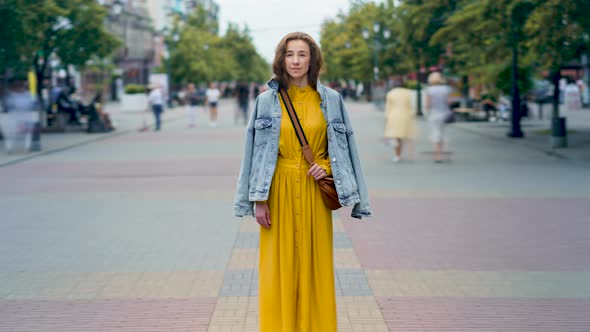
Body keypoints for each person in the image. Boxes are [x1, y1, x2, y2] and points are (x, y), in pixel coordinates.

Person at [234, 32, 372, 332]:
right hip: (277, 191)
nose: (295, 61)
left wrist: (326, 168)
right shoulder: (265, 101)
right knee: (276, 270)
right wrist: (257, 199)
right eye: (290, 54)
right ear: (281, 59)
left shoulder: (332, 100)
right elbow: (252, 152)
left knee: (316, 267)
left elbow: (347, 149)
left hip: (314, 191)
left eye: (302, 54)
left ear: (313, 60)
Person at [1, 73, 39, 152]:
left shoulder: (29, 95)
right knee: (11, 134)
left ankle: (27, 146)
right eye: (18, 85)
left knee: (28, 132)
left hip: (26, 116)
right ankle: (9, 147)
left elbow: (34, 105)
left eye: (21, 85)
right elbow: (7, 106)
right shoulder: (11, 95)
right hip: (14, 115)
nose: (20, 87)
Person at [384, 80, 417, 162]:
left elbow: (388, 108)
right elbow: (411, 106)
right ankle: (408, 154)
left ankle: (397, 155)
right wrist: (412, 115)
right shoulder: (408, 93)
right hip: (406, 116)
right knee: (405, 136)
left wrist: (386, 118)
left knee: (396, 137)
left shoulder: (390, 93)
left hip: (394, 116)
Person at [425, 72, 453, 163]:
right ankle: (443, 154)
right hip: (444, 113)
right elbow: (449, 102)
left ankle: (438, 156)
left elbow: (428, 104)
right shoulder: (446, 89)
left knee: (435, 133)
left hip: (434, 114)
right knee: (442, 133)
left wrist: (427, 112)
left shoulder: (429, 90)